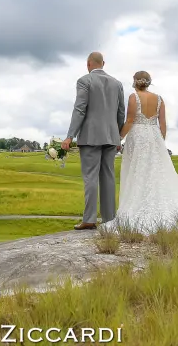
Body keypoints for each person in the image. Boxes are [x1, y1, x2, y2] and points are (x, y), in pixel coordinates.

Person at [103, 71, 178, 234]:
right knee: (157, 172)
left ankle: (135, 206)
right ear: (149, 82)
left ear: (135, 82)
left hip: (137, 136)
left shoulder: (133, 97)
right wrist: (160, 140)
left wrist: (119, 138)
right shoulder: (159, 99)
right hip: (154, 136)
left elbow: (130, 120)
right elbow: (163, 123)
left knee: (137, 171)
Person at [62, 52, 125, 230]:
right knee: (109, 177)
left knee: (90, 177)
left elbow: (80, 109)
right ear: (103, 63)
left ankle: (89, 219)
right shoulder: (117, 84)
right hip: (111, 136)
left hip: (90, 136)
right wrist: (119, 136)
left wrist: (70, 136)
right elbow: (121, 112)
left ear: (88, 64)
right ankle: (109, 220)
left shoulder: (84, 81)